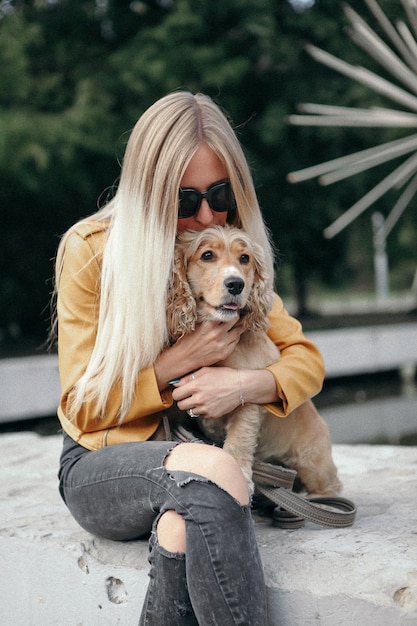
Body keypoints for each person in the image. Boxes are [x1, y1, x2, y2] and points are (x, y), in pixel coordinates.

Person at [52, 91, 325, 625]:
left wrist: (244, 387)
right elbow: (81, 409)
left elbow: (306, 360)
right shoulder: (91, 250)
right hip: (102, 463)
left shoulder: (231, 255)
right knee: (215, 473)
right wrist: (178, 362)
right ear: (149, 192)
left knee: (181, 528)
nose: (205, 216)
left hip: (191, 461)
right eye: (185, 201)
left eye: (219, 194)